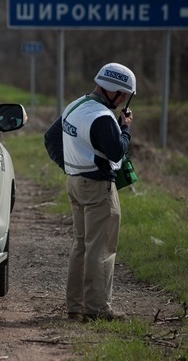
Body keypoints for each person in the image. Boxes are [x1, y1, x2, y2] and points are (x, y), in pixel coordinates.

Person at [46, 62, 135, 322]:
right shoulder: (104, 118)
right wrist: (126, 128)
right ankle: (97, 309)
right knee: (102, 248)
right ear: (115, 92)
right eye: (123, 96)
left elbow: (50, 138)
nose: (122, 102)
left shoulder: (75, 106)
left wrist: (71, 165)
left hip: (75, 183)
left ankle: (75, 307)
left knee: (80, 246)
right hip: (98, 189)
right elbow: (117, 151)